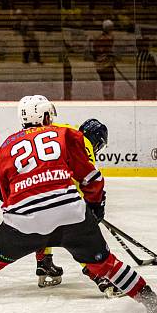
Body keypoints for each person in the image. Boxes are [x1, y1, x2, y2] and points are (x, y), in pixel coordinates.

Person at [0, 95, 157, 313]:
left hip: (23, 222)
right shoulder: (66, 134)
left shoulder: (6, 147)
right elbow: (91, 178)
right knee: (106, 265)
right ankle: (154, 305)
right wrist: (94, 207)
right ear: (46, 116)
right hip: (70, 213)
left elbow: (3, 193)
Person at [30, 117, 123, 298]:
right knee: (79, 236)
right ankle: (100, 276)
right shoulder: (84, 144)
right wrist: (93, 205)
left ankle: (43, 262)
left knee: (45, 226)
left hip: (31, 192)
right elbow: (86, 179)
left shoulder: (63, 132)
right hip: (61, 197)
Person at [93, 19, 116, 100]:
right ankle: (108, 99)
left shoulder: (99, 38)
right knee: (108, 82)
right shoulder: (108, 39)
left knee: (107, 83)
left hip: (102, 65)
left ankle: (108, 98)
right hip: (105, 65)